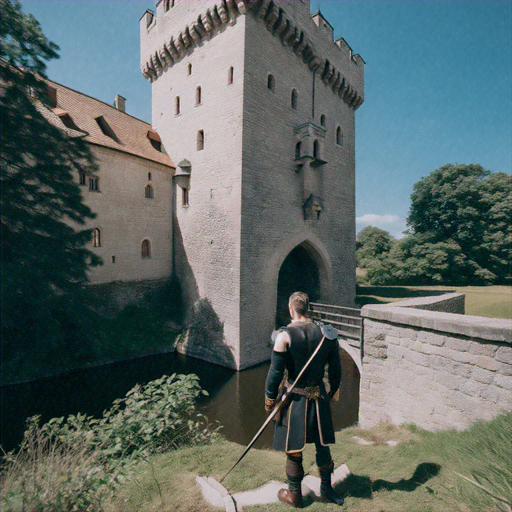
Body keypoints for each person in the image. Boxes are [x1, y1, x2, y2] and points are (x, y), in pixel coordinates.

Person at [265, 291, 344, 508]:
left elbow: (274, 374)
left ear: (291, 308)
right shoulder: (327, 334)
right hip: (319, 398)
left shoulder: (283, 336)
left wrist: (270, 400)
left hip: (294, 400)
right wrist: (333, 392)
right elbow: (336, 370)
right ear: (308, 309)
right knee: (323, 444)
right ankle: (327, 489)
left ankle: (294, 495)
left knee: (293, 449)